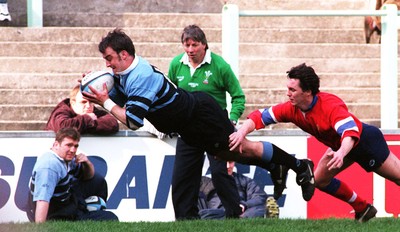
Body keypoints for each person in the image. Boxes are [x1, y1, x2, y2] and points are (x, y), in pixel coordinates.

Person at [81, 28, 315, 219]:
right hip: (186, 128)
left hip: (202, 117)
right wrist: (97, 91)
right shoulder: (124, 74)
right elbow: (123, 106)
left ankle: (297, 165)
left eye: (109, 58)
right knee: (181, 182)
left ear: (124, 55)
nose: (107, 65)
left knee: (242, 150)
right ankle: (188, 229)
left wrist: (104, 100)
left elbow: (132, 121)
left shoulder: (140, 76)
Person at [230, 63, 400, 223]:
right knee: (319, 181)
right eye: (287, 89)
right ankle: (362, 208)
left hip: (365, 143)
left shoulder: (330, 106)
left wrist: (341, 152)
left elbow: (350, 132)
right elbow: (260, 116)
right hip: (340, 148)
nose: (288, 93)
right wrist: (241, 133)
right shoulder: (292, 108)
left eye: (292, 90)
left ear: (308, 92)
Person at [167, 24, 247, 220]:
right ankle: (186, 220)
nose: (190, 50)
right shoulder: (176, 64)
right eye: (187, 45)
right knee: (182, 176)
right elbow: (170, 95)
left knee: (220, 173)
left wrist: (232, 120)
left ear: (204, 45)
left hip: (215, 126)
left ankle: (234, 215)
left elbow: (238, 97)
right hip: (188, 127)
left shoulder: (220, 66)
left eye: (194, 45)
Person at [27, 127, 118, 223]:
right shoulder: (49, 167)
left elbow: (89, 177)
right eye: (69, 145)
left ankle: (84, 209)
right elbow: (42, 200)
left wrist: (87, 162)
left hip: (66, 199)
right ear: (56, 145)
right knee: (111, 218)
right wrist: (40, 229)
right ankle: (82, 214)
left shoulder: (65, 158)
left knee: (98, 181)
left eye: (75, 146)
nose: (73, 150)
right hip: (55, 212)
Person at [198, 161, 279, 219]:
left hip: (241, 212)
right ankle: (236, 218)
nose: (228, 166)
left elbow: (259, 197)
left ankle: (237, 218)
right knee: (202, 213)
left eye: (230, 162)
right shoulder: (205, 182)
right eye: (224, 163)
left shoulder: (245, 181)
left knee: (262, 208)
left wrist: (245, 204)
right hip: (217, 213)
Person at [45, 83, 119, 135]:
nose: (88, 106)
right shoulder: (62, 110)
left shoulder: (94, 111)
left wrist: (87, 124)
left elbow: (113, 124)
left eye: (91, 102)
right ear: (73, 103)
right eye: (83, 102)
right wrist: (88, 119)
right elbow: (62, 128)